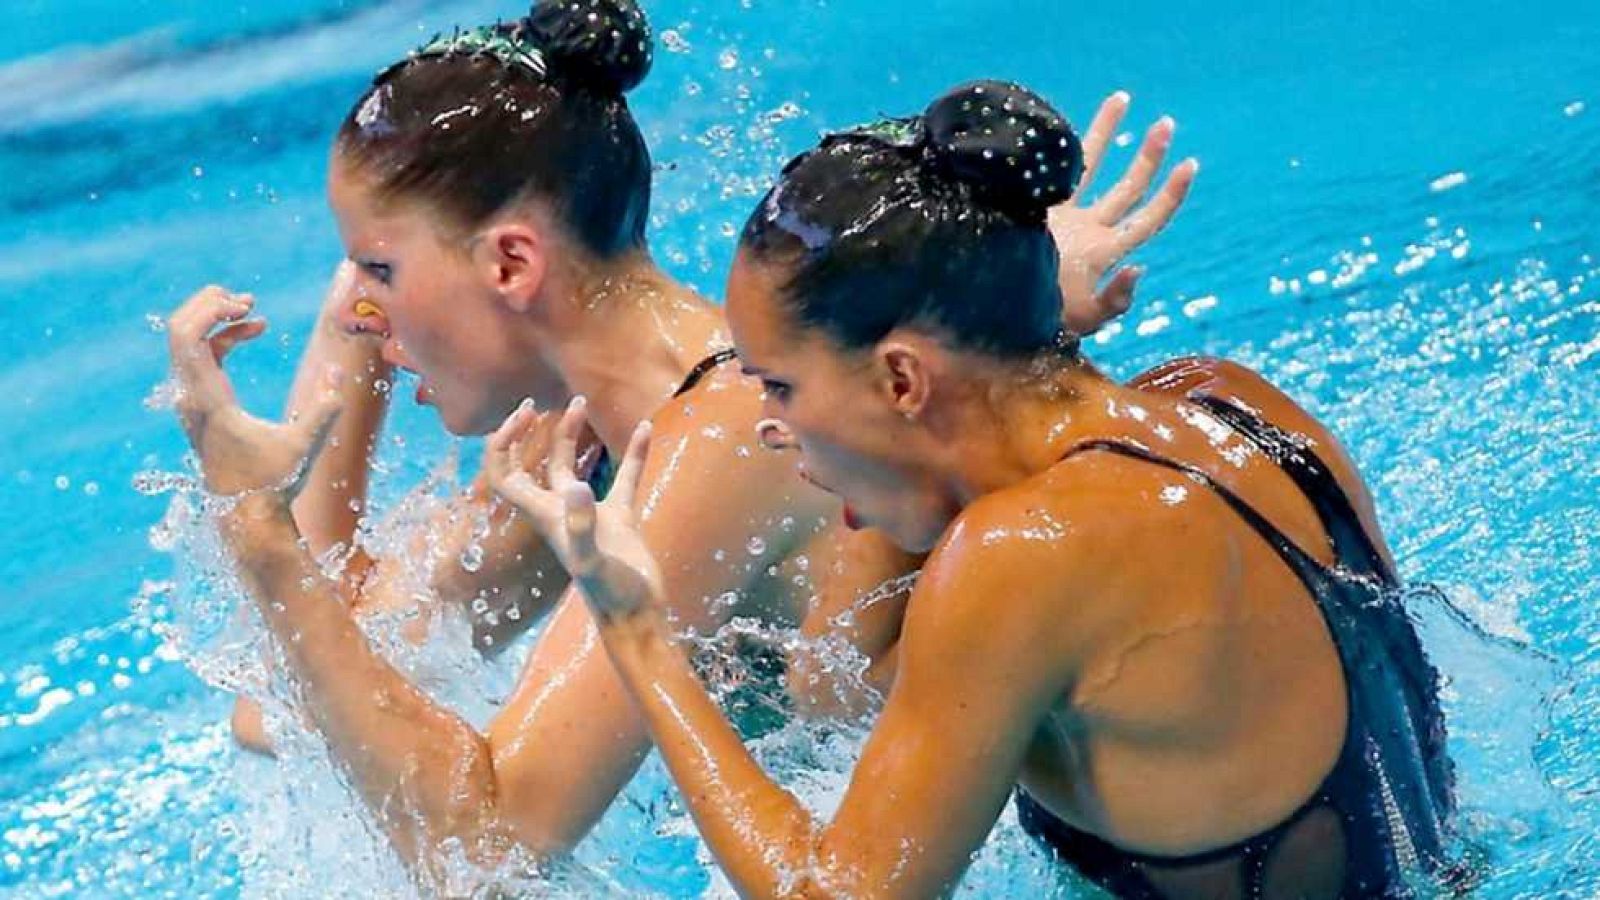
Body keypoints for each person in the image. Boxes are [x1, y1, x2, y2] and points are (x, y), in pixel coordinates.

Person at [163, 2, 1191, 889]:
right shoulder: (587, 444)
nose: (367, 316)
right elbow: (314, 690)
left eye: (378, 272)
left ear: (512, 261)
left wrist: (258, 529)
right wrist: (347, 365)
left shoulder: (731, 433)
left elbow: (487, 847)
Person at [484, 80, 1457, 899]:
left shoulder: (1020, 556)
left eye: (780, 385)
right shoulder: (1226, 402)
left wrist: (638, 629)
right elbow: (841, 681)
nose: (772, 427)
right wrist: (1004, 351)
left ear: (904, 380)